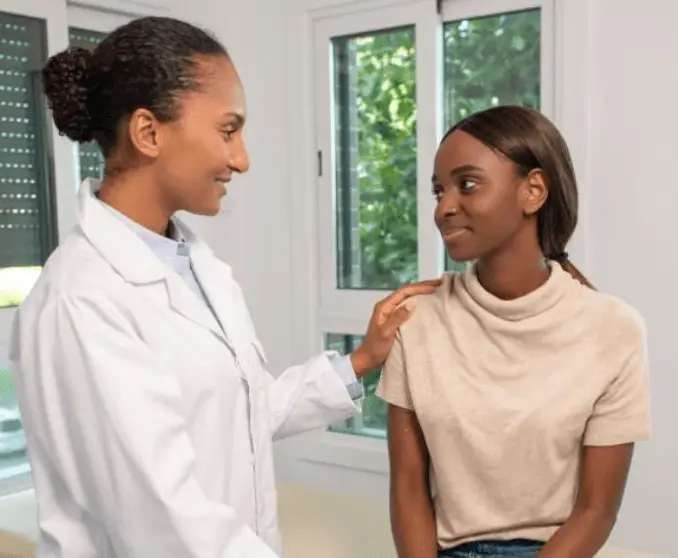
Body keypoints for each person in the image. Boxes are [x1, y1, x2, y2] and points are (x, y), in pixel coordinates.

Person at [8, 16, 440, 558]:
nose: (241, 158)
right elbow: (162, 521)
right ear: (149, 132)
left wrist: (360, 361)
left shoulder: (196, 265)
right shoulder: (81, 299)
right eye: (227, 130)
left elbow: (242, 412)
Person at [376, 105, 651, 558]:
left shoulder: (614, 329)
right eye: (438, 190)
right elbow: (407, 489)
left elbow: (595, 511)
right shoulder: (417, 319)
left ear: (533, 191)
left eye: (467, 184)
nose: (444, 207)